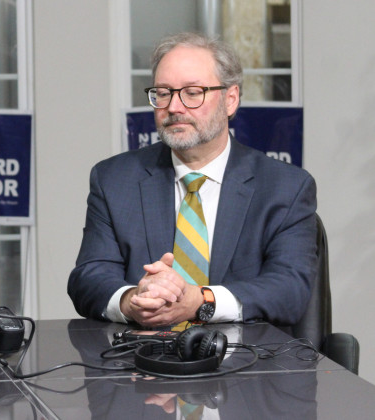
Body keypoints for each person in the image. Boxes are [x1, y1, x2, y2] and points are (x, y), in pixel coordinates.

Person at [67, 32, 317, 328]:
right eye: (163, 92)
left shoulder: (284, 187)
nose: (174, 107)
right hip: (139, 363)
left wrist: (200, 301)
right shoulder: (114, 180)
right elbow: (89, 277)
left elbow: (289, 290)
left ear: (230, 99)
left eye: (193, 92)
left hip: (247, 364)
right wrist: (132, 300)